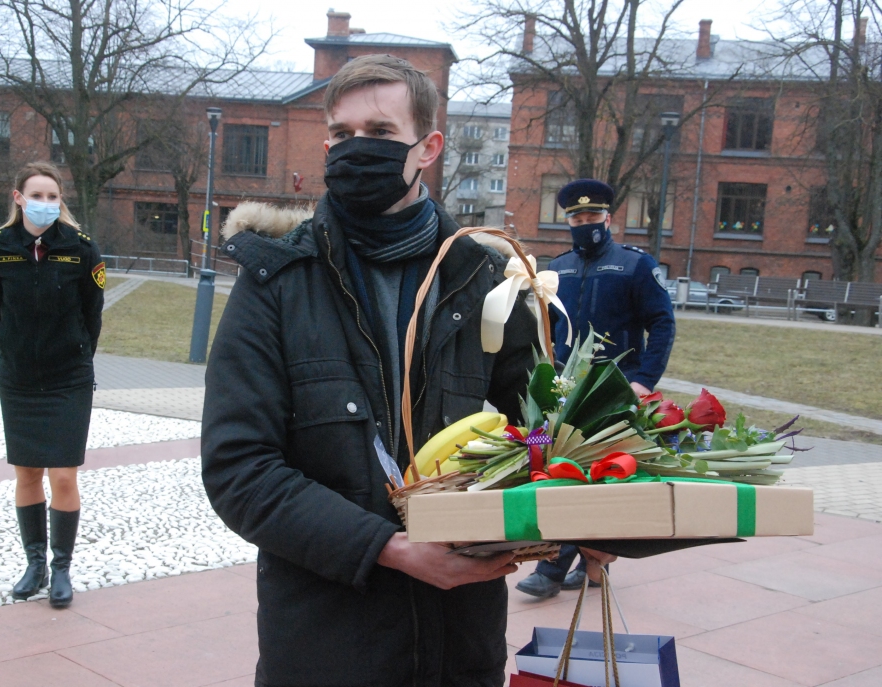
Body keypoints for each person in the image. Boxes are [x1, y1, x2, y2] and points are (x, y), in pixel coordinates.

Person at [201, 55, 614, 687]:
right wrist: (389, 549)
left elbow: (535, 433)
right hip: (325, 644)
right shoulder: (276, 281)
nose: (354, 150)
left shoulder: (491, 280)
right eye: (341, 134)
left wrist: (582, 505)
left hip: (458, 642)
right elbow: (238, 469)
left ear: (429, 147)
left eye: (379, 133)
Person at [516, 178, 675, 600]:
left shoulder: (634, 265)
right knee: (557, 464)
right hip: (566, 386)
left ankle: (554, 567)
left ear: (610, 218)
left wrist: (644, 380)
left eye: (592, 216)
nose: (584, 223)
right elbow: (548, 325)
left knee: (597, 472)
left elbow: (662, 323)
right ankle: (588, 563)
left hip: (615, 387)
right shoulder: (560, 266)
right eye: (576, 217)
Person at [0, 161, 105, 608]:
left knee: (64, 475)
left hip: (67, 378)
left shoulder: (81, 249)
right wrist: (19, 347)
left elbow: (93, 313)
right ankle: (33, 564)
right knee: (28, 472)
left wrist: (74, 353)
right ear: (18, 197)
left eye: (53, 197)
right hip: (18, 377)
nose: (47, 204)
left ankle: (60, 568)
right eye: (38, 195)